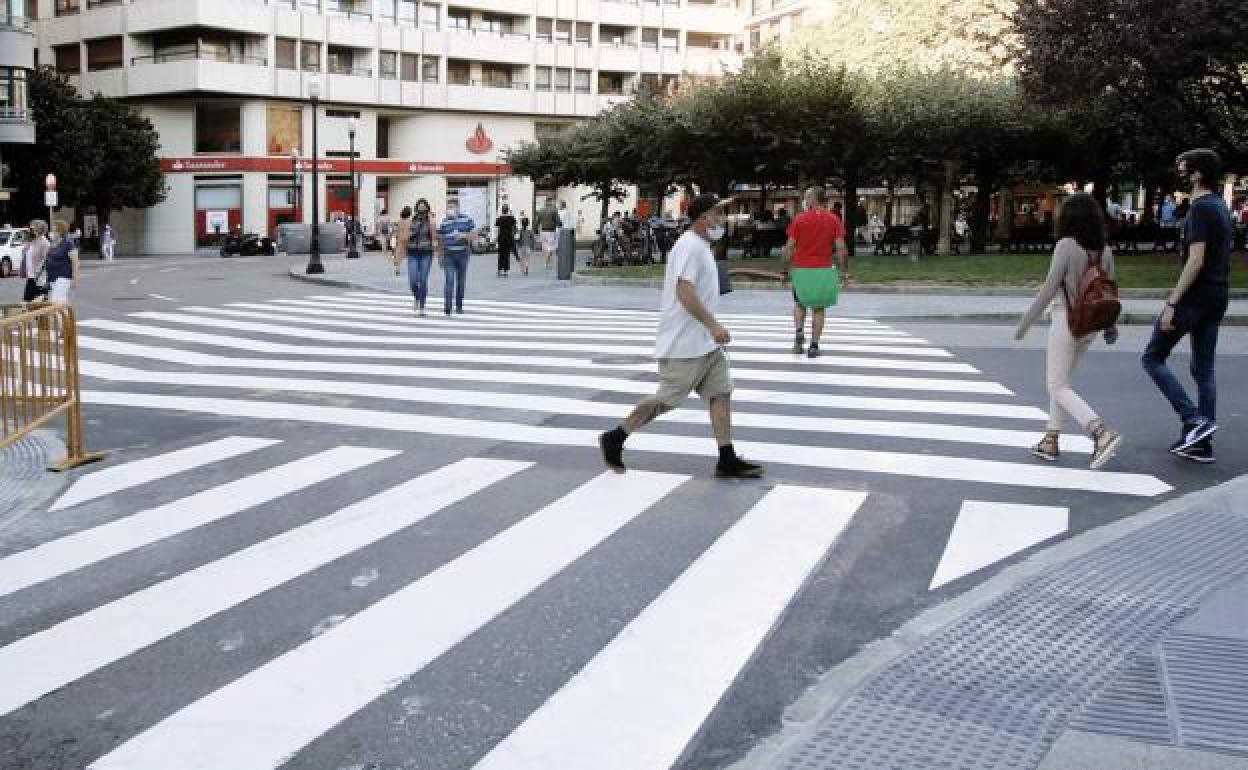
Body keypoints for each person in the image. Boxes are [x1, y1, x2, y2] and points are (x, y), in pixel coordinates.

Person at [598, 193, 763, 480]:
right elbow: (684, 291)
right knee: (668, 399)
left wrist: (759, 276)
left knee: (721, 393)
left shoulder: (701, 247)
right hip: (684, 342)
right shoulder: (689, 246)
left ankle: (727, 458)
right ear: (702, 219)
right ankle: (616, 436)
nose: (721, 219)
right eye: (717, 213)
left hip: (704, 344)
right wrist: (713, 326)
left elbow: (707, 283)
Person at [1013, 193, 1123, 469]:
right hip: (1091, 325)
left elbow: (1050, 288)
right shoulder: (1105, 251)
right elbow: (1108, 291)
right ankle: (1050, 440)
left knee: (1056, 385)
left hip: (1066, 320)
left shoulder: (1066, 246)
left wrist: (1025, 323)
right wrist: (1110, 326)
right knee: (1062, 383)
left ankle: (1100, 432)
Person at [1141, 148, 1234, 463]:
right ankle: (1202, 444)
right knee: (1203, 369)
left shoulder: (1200, 210)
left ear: (1197, 174)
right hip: (1218, 294)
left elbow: (1195, 261)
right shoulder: (1220, 206)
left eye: (1183, 169)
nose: (1178, 174)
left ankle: (1194, 420)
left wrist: (1172, 303)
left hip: (1194, 297)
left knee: (1153, 357)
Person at [784, 186, 848, 359]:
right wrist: (843, 272)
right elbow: (841, 249)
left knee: (799, 304)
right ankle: (814, 346)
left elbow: (789, 247)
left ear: (813, 199)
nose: (805, 200)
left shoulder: (799, 219)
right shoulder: (833, 220)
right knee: (819, 309)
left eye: (806, 197)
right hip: (823, 270)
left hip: (801, 270)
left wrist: (785, 270)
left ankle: (798, 333)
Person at [438, 200, 475, 315]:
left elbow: (474, 235)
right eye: (448, 207)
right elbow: (441, 240)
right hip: (449, 255)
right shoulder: (444, 222)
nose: (449, 210)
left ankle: (459, 306)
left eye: (451, 207)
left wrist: (464, 236)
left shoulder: (467, 219)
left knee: (461, 281)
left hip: (463, 254)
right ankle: (447, 307)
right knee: (449, 280)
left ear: (458, 208)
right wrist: (440, 257)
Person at [406, 201, 437, 316]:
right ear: (416, 207)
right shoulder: (411, 220)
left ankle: (422, 307)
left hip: (426, 253)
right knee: (413, 280)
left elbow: (435, 236)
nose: (422, 207)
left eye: (424, 205)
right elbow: (405, 235)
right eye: (420, 205)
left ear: (427, 208)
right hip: (412, 252)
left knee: (423, 280)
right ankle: (417, 297)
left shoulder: (431, 220)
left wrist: (432, 221)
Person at [45, 220, 80, 304]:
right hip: (52, 277)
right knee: (61, 301)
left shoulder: (68, 243)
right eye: (52, 230)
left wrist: (75, 278)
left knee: (56, 301)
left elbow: (75, 262)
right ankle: (68, 316)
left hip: (63, 277)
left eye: (54, 231)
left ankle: (62, 317)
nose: (51, 233)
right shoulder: (53, 243)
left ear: (60, 231)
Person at [20, 219, 50, 302]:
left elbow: (46, 260)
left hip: (39, 278)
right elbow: (26, 255)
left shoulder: (45, 242)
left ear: (39, 229)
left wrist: (38, 273)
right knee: (29, 303)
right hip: (31, 276)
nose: (30, 229)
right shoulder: (32, 240)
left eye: (32, 228)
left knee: (34, 303)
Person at [494, 205, 517, 277]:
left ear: (502, 210)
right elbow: (514, 224)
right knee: (507, 254)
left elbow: (496, 226)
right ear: (508, 210)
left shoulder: (499, 219)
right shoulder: (511, 218)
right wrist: (511, 213)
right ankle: (506, 270)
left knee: (500, 254)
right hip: (509, 238)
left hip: (501, 238)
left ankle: (500, 269)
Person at [537, 199, 559, 269]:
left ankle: (546, 262)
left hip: (543, 231)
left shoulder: (541, 210)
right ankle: (546, 262)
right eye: (553, 202)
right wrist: (560, 225)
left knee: (545, 247)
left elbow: (538, 221)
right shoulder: (554, 210)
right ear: (550, 202)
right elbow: (558, 221)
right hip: (551, 231)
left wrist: (536, 231)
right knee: (551, 247)